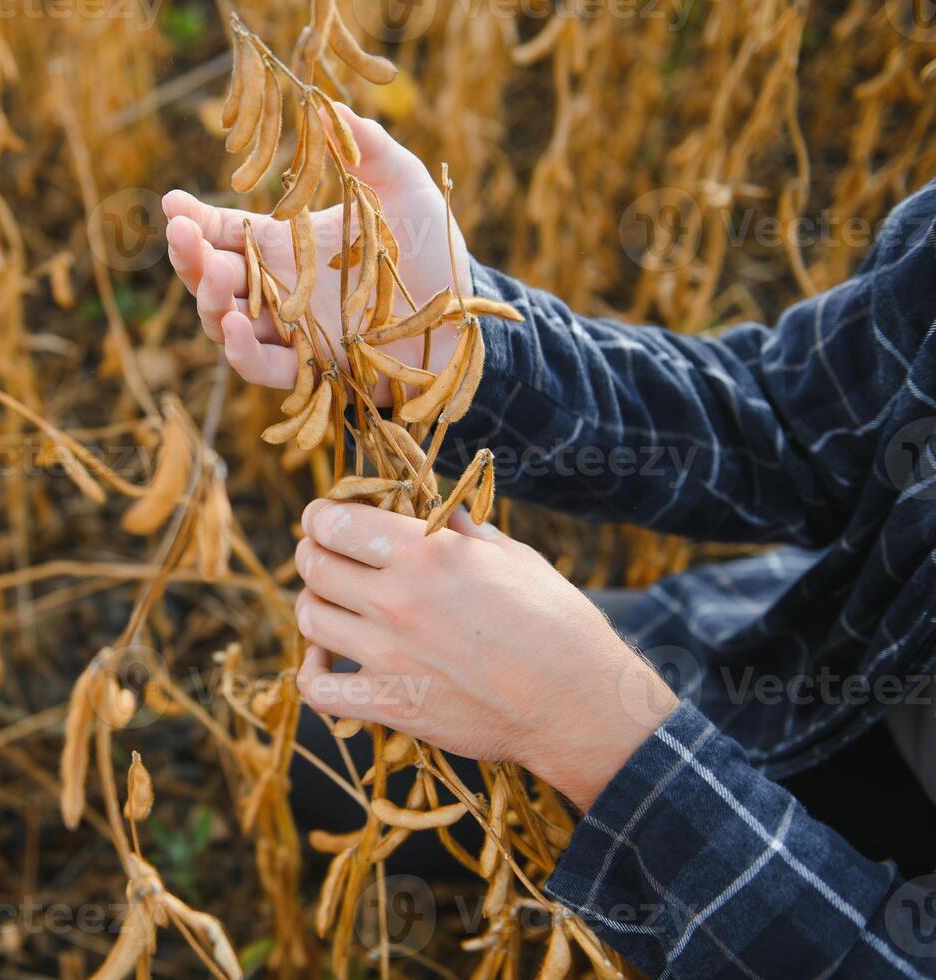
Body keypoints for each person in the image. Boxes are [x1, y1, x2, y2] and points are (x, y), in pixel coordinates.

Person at [161, 103, 936, 977]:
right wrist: (453, 345)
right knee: (334, 745)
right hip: (834, 673)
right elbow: (791, 429)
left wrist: (598, 733)